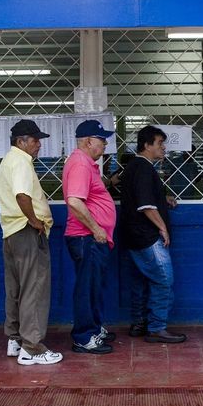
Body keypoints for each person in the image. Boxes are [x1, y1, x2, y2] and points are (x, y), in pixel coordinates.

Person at [0, 120, 63, 365]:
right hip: (25, 231)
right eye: (35, 140)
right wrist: (35, 221)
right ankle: (32, 348)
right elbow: (22, 195)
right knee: (34, 288)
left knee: (15, 289)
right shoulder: (21, 162)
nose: (39, 145)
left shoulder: (8, 160)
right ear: (21, 141)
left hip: (11, 232)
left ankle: (15, 340)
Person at [120, 125, 186, 344]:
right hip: (146, 235)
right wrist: (163, 227)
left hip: (133, 235)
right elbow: (146, 206)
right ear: (147, 145)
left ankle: (139, 323)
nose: (163, 147)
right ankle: (157, 328)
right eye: (159, 143)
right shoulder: (143, 168)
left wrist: (162, 199)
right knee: (164, 279)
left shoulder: (133, 166)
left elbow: (140, 196)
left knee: (140, 279)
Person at [62, 120, 118, 354]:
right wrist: (96, 229)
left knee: (94, 286)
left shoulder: (85, 163)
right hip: (86, 237)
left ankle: (93, 328)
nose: (105, 144)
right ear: (87, 141)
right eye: (101, 140)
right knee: (87, 288)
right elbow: (75, 201)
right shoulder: (80, 163)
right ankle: (84, 336)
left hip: (91, 237)